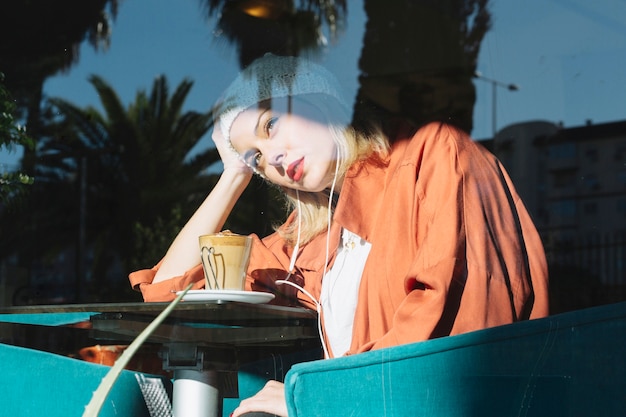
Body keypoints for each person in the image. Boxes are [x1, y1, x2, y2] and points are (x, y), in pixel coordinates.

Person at [129, 54, 549, 416]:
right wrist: (233, 174)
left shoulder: (436, 155)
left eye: (271, 123)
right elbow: (169, 293)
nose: (271, 156)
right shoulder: (314, 240)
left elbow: (453, 342)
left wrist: (313, 397)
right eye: (257, 158)